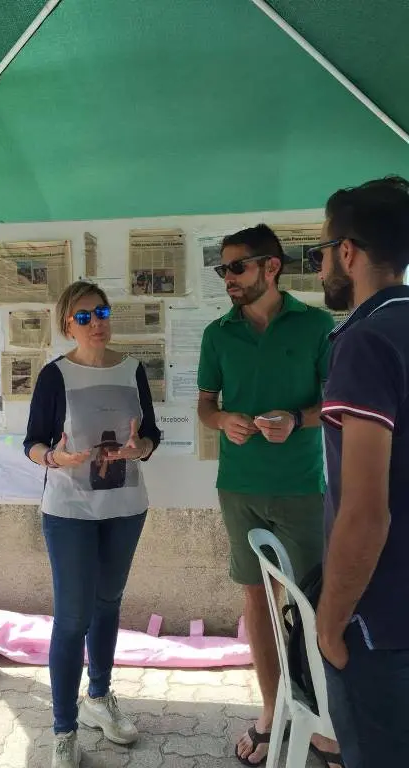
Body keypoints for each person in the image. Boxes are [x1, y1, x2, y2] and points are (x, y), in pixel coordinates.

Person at [196, 224, 340, 767]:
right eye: (222, 270)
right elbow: (206, 406)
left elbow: (335, 405)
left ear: (270, 267)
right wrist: (225, 419)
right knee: (256, 597)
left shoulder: (318, 326)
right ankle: (270, 710)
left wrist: (297, 419)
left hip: (303, 486)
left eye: (236, 268)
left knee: (311, 603)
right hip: (239, 487)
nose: (227, 279)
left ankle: (323, 720)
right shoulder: (218, 334)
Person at [24, 280, 160, 768]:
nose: (95, 323)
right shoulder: (54, 376)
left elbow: (150, 436)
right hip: (70, 513)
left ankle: (99, 700)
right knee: (73, 617)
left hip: (126, 508)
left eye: (100, 313)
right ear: (67, 324)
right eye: (83, 316)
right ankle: (64, 728)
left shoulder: (132, 369)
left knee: (107, 605)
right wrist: (55, 458)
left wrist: (137, 448)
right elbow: (33, 442)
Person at [312, 176, 409, 766]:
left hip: (381, 622)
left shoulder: (364, 341)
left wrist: (330, 623)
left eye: (322, 251)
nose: (322, 266)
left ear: (347, 252)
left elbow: (366, 511)